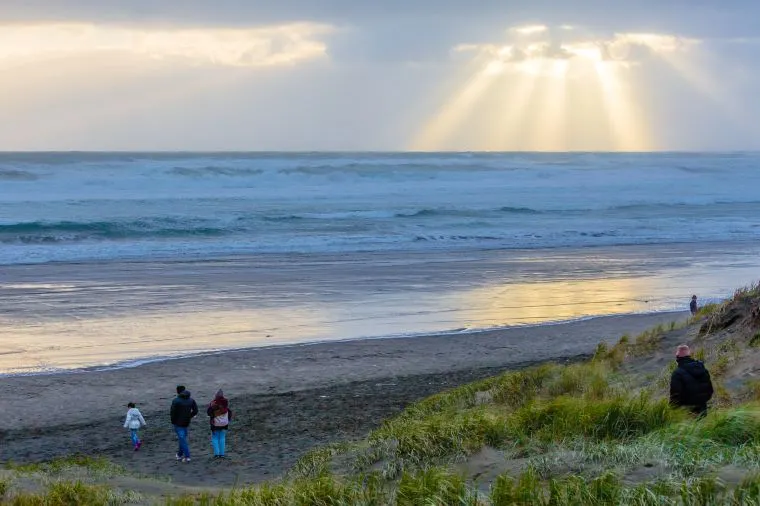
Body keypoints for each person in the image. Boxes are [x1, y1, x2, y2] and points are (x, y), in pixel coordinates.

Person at [670, 345, 713, 417]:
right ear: (689, 356)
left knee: (691, 427)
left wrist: (672, 408)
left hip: (688, 408)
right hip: (702, 404)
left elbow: (675, 394)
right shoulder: (702, 368)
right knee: (703, 425)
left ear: (677, 358)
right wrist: (704, 399)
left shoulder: (677, 373)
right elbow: (710, 388)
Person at [170, 385, 198, 462]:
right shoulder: (191, 400)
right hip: (186, 422)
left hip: (178, 423)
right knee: (182, 438)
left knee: (182, 439)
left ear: (177, 391)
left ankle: (187, 456)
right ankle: (179, 454)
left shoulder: (176, 401)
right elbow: (195, 411)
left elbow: (172, 413)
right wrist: (189, 416)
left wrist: (173, 421)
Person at [207, 389, 232, 459]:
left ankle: (216, 454)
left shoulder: (213, 403)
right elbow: (229, 413)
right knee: (222, 438)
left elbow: (209, 413)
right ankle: (222, 454)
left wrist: (211, 407)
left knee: (215, 438)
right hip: (224, 424)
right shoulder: (225, 403)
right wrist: (228, 420)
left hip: (215, 424)